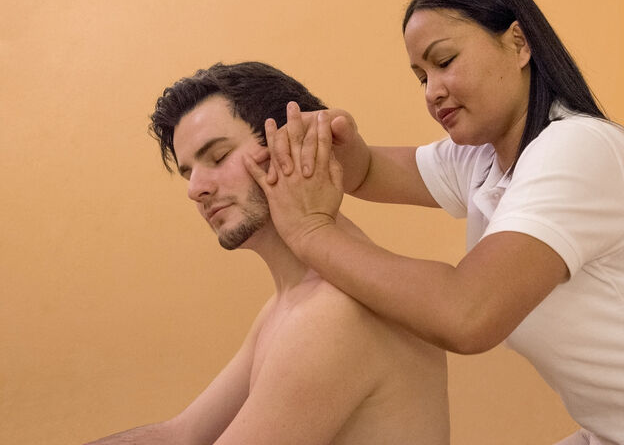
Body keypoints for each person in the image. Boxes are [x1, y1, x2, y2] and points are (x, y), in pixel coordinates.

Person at [247, 0, 624, 445]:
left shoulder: (577, 150)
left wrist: (311, 232)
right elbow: (365, 172)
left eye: (444, 61)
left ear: (518, 43)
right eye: (421, 78)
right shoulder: (483, 160)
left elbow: (467, 314)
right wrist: (336, 145)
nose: (432, 91)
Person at [83, 62, 449, 445]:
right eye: (189, 173)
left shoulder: (334, 314)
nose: (196, 189)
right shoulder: (293, 304)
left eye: (218, 156)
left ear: (297, 142)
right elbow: (180, 435)